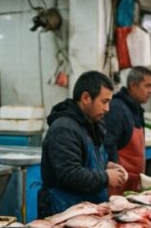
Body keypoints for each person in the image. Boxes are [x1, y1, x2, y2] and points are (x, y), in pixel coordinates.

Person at [38, 71, 127, 218]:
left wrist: (105, 165)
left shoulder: (92, 124)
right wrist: (106, 177)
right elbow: (69, 174)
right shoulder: (64, 128)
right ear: (86, 98)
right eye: (104, 102)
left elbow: (85, 161)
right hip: (63, 213)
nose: (107, 108)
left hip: (89, 212)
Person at [104, 66, 151, 192]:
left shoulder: (136, 109)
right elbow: (109, 145)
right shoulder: (117, 109)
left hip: (132, 185)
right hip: (118, 185)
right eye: (147, 86)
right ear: (133, 85)